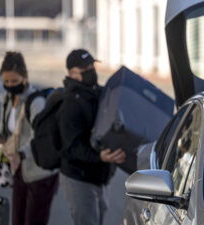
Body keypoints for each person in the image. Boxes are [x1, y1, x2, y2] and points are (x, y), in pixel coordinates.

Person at [58, 49, 126, 225]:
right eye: (85, 69)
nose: (91, 71)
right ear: (73, 73)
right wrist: (98, 156)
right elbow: (71, 146)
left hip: (100, 175)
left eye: (92, 66)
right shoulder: (70, 103)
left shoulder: (99, 92)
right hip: (79, 178)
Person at [0, 51, 58, 225]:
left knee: (34, 221)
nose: (10, 85)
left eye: (14, 81)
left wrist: (22, 153)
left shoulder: (36, 103)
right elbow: (7, 128)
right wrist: (0, 136)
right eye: (6, 82)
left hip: (40, 173)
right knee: (17, 220)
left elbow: (41, 136)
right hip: (19, 169)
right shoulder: (8, 98)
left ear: (25, 77)